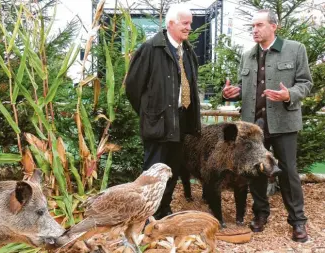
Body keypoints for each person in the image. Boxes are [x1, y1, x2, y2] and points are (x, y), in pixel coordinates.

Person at [223, 9, 313, 242]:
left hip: (284, 123)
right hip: (254, 128)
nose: (255, 29)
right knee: (256, 171)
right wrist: (232, 94)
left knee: (289, 173)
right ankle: (260, 214)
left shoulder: (295, 50)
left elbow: (305, 84)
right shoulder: (247, 55)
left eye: (260, 25)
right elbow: (247, 90)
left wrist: (288, 95)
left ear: (274, 26)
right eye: (252, 26)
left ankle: (298, 221)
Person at [125, 3, 201, 219]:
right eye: (185, 23)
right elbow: (133, 87)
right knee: (154, 171)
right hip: (158, 122)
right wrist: (150, 114)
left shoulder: (187, 51)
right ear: (171, 23)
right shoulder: (150, 48)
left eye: (190, 23)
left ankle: (164, 209)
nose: (189, 28)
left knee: (172, 170)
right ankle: (147, 215)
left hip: (181, 120)